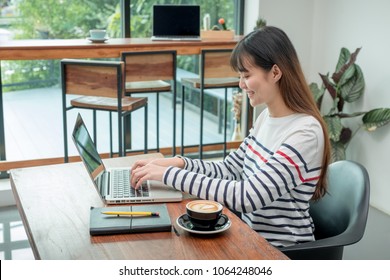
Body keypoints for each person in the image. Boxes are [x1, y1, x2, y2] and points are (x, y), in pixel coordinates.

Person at [130, 26, 331, 248]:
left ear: (275, 73)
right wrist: (178, 163)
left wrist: (169, 175)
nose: (241, 84)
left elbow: (247, 196)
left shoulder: (305, 133)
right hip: (249, 239)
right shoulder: (266, 118)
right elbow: (229, 170)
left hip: (282, 251)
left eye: (246, 75)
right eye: (240, 76)